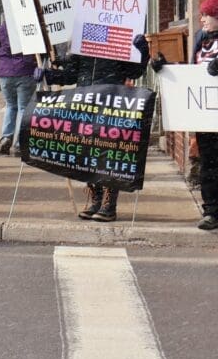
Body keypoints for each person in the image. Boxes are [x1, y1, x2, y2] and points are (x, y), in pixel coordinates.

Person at [43, 35, 150, 222]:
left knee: (108, 151)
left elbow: (134, 72)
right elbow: (71, 74)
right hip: (86, 103)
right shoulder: (83, 42)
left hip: (110, 100)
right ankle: (96, 199)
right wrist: (49, 75)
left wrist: (140, 52)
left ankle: (109, 203)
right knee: (89, 151)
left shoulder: (120, 39)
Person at [152, 0, 218, 231]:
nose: (202, 19)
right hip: (205, 112)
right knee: (208, 162)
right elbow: (187, 71)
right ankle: (211, 211)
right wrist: (163, 68)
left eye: (207, 15)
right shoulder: (200, 37)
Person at [0, 22, 37, 156]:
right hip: (25, 69)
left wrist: (3, 59)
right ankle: (19, 143)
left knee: (11, 106)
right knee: (23, 108)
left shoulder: (4, 26)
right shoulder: (29, 23)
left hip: (5, 72)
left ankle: (7, 137)